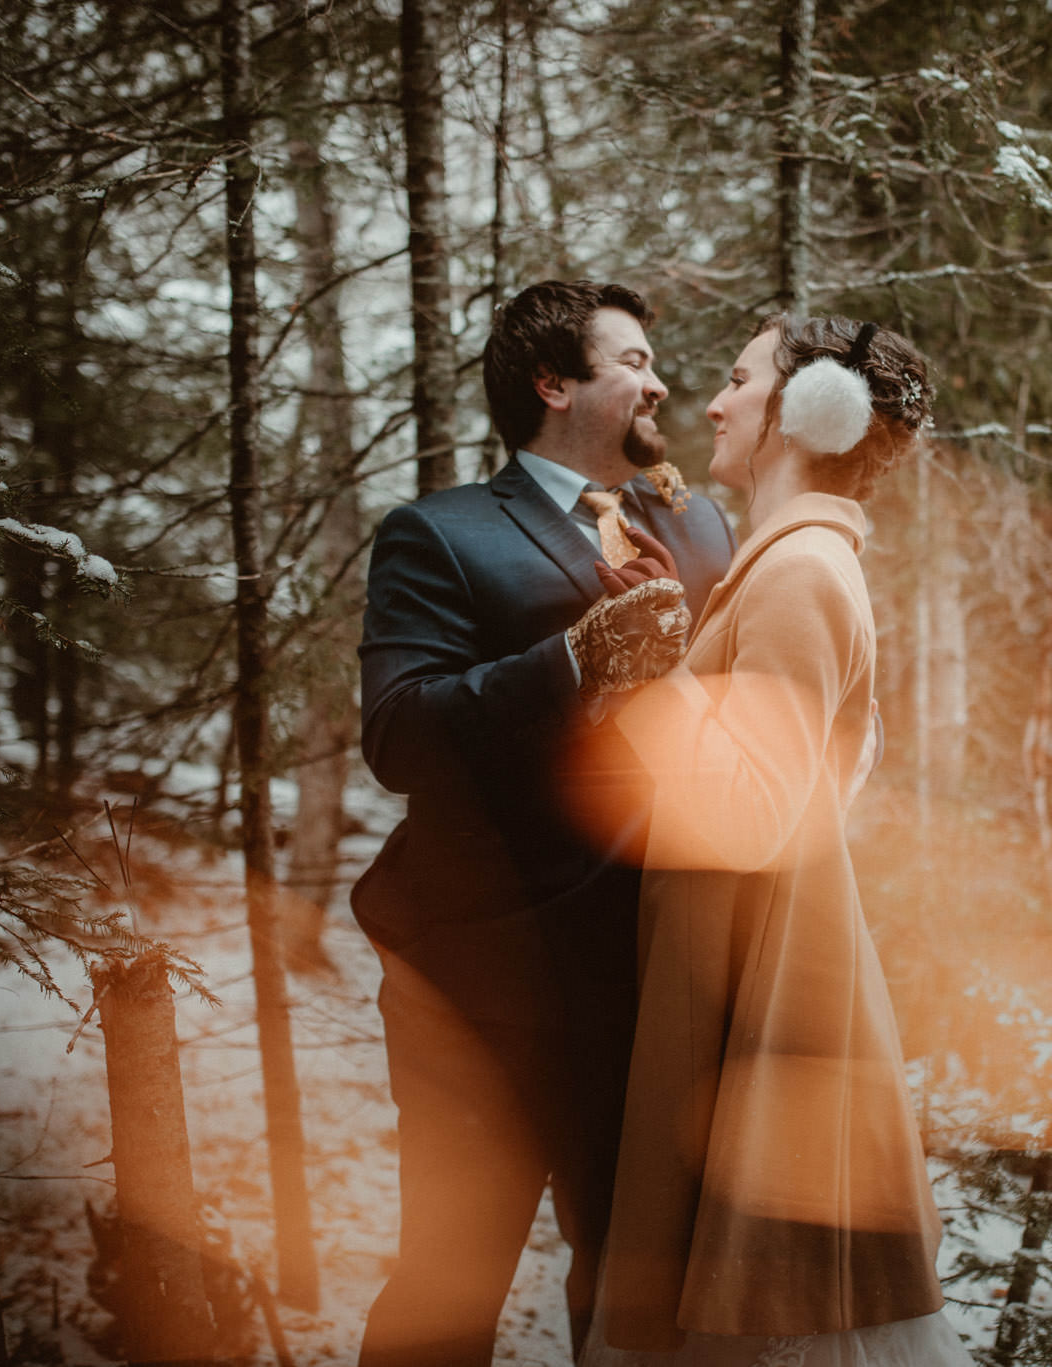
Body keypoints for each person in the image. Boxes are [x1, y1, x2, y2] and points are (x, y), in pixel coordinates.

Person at [351, 279, 736, 1367]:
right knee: (448, 1278)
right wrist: (574, 659)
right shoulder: (441, 533)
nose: (660, 382)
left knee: (629, 1288)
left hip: (652, 978)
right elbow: (398, 736)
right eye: (632, 361)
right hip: (481, 985)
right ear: (552, 381)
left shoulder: (700, 524)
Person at [579, 314, 973, 1366]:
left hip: (765, 983)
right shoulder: (790, 563)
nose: (711, 402)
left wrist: (639, 686)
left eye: (739, 379)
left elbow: (754, 811)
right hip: (745, 965)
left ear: (809, 413)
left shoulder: (801, 570)